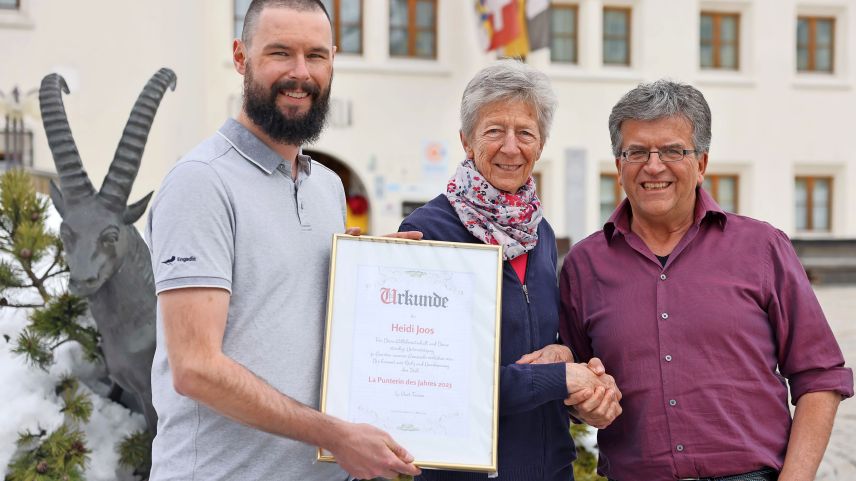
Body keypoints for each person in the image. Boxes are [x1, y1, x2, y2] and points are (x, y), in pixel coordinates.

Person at [145, 1, 421, 480]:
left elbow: (293, 314)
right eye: (280, 53)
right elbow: (195, 367)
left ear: (333, 61)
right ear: (240, 56)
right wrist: (333, 435)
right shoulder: (201, 182)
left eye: (316, 56)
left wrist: (370, 273)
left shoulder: (327, 187)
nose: (300, 73)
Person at [560, 79, 854, 481]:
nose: (653, 165)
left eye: (672, 151)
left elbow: (820, 376)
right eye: (637, 152)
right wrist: (583, 402)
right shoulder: (583, 265)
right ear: (618, 166)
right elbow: (575, 384)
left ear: (701, 163)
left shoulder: (762, 247)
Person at [399, 59, 623, 481]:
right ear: (467, 141)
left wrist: (565, 356)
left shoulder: (539, 233)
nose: (510, 146)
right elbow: (437, 381)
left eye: (525, 133)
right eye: (494, 130)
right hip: (468, 473)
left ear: (540, 146)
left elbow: (530, 342)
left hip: (552, 469)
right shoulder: (427, 233)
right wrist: (560, 378)